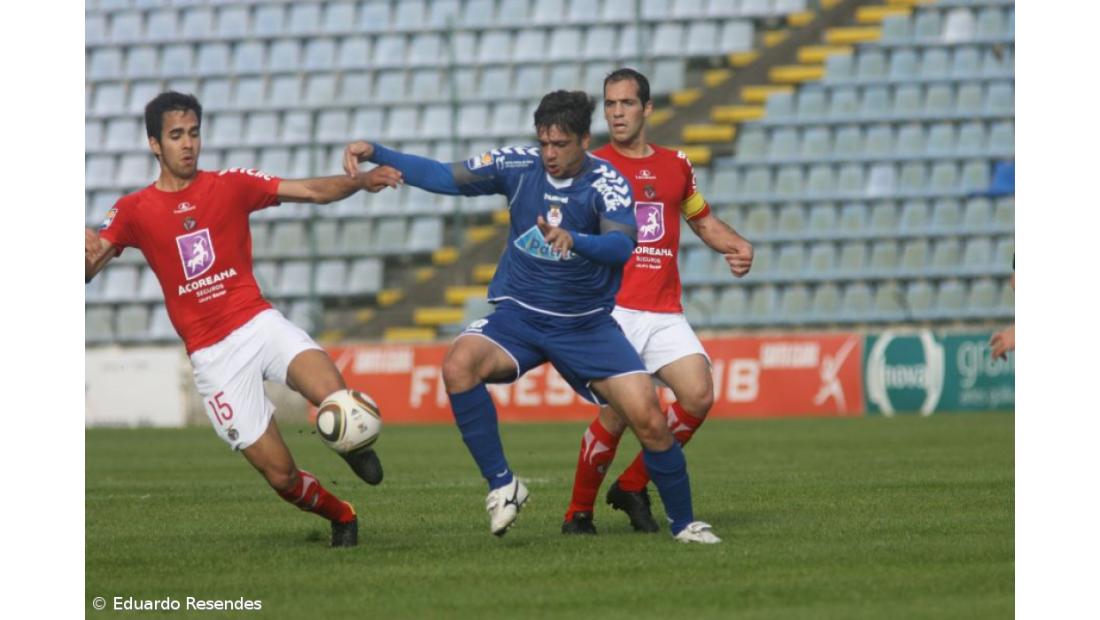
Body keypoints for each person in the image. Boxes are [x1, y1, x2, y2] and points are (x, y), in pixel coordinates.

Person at [343, 90, 720, 543]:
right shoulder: (519, 165)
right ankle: (503, 485)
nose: (550, 154)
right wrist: (377, 153)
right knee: (458, 365)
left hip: (586, 324)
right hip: (519, 316)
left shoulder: (609, 182)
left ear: (584, 139)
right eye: (544, 143)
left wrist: (574, 239)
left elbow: (622, 246)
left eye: (560, 144)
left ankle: (685, 525)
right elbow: (447, 175)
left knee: (650, 419)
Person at [85, 92, 403, 547]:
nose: (188, 144)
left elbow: (309, 191)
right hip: (213, 356)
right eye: (176, 136)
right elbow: (90, 269)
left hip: (257, 323)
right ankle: (342, 515)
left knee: (334, 394)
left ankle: (351, 441)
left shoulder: (230, 184)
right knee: (281, 476)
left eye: (193, 133)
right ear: (154, 144)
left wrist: (359, 183)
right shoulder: (134, 209)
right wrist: (84, 253)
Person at [560, 69, 754, 535]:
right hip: (614, 311)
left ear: (646, 108)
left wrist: (736, 245)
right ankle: (577, 514)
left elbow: (701, 220)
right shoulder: (590, 168)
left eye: (626, 103)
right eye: (610, 104)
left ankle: (631, 483)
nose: (617, 112)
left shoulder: (676, 165)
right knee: (621, 411)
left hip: (665, 311)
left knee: (698, 395)